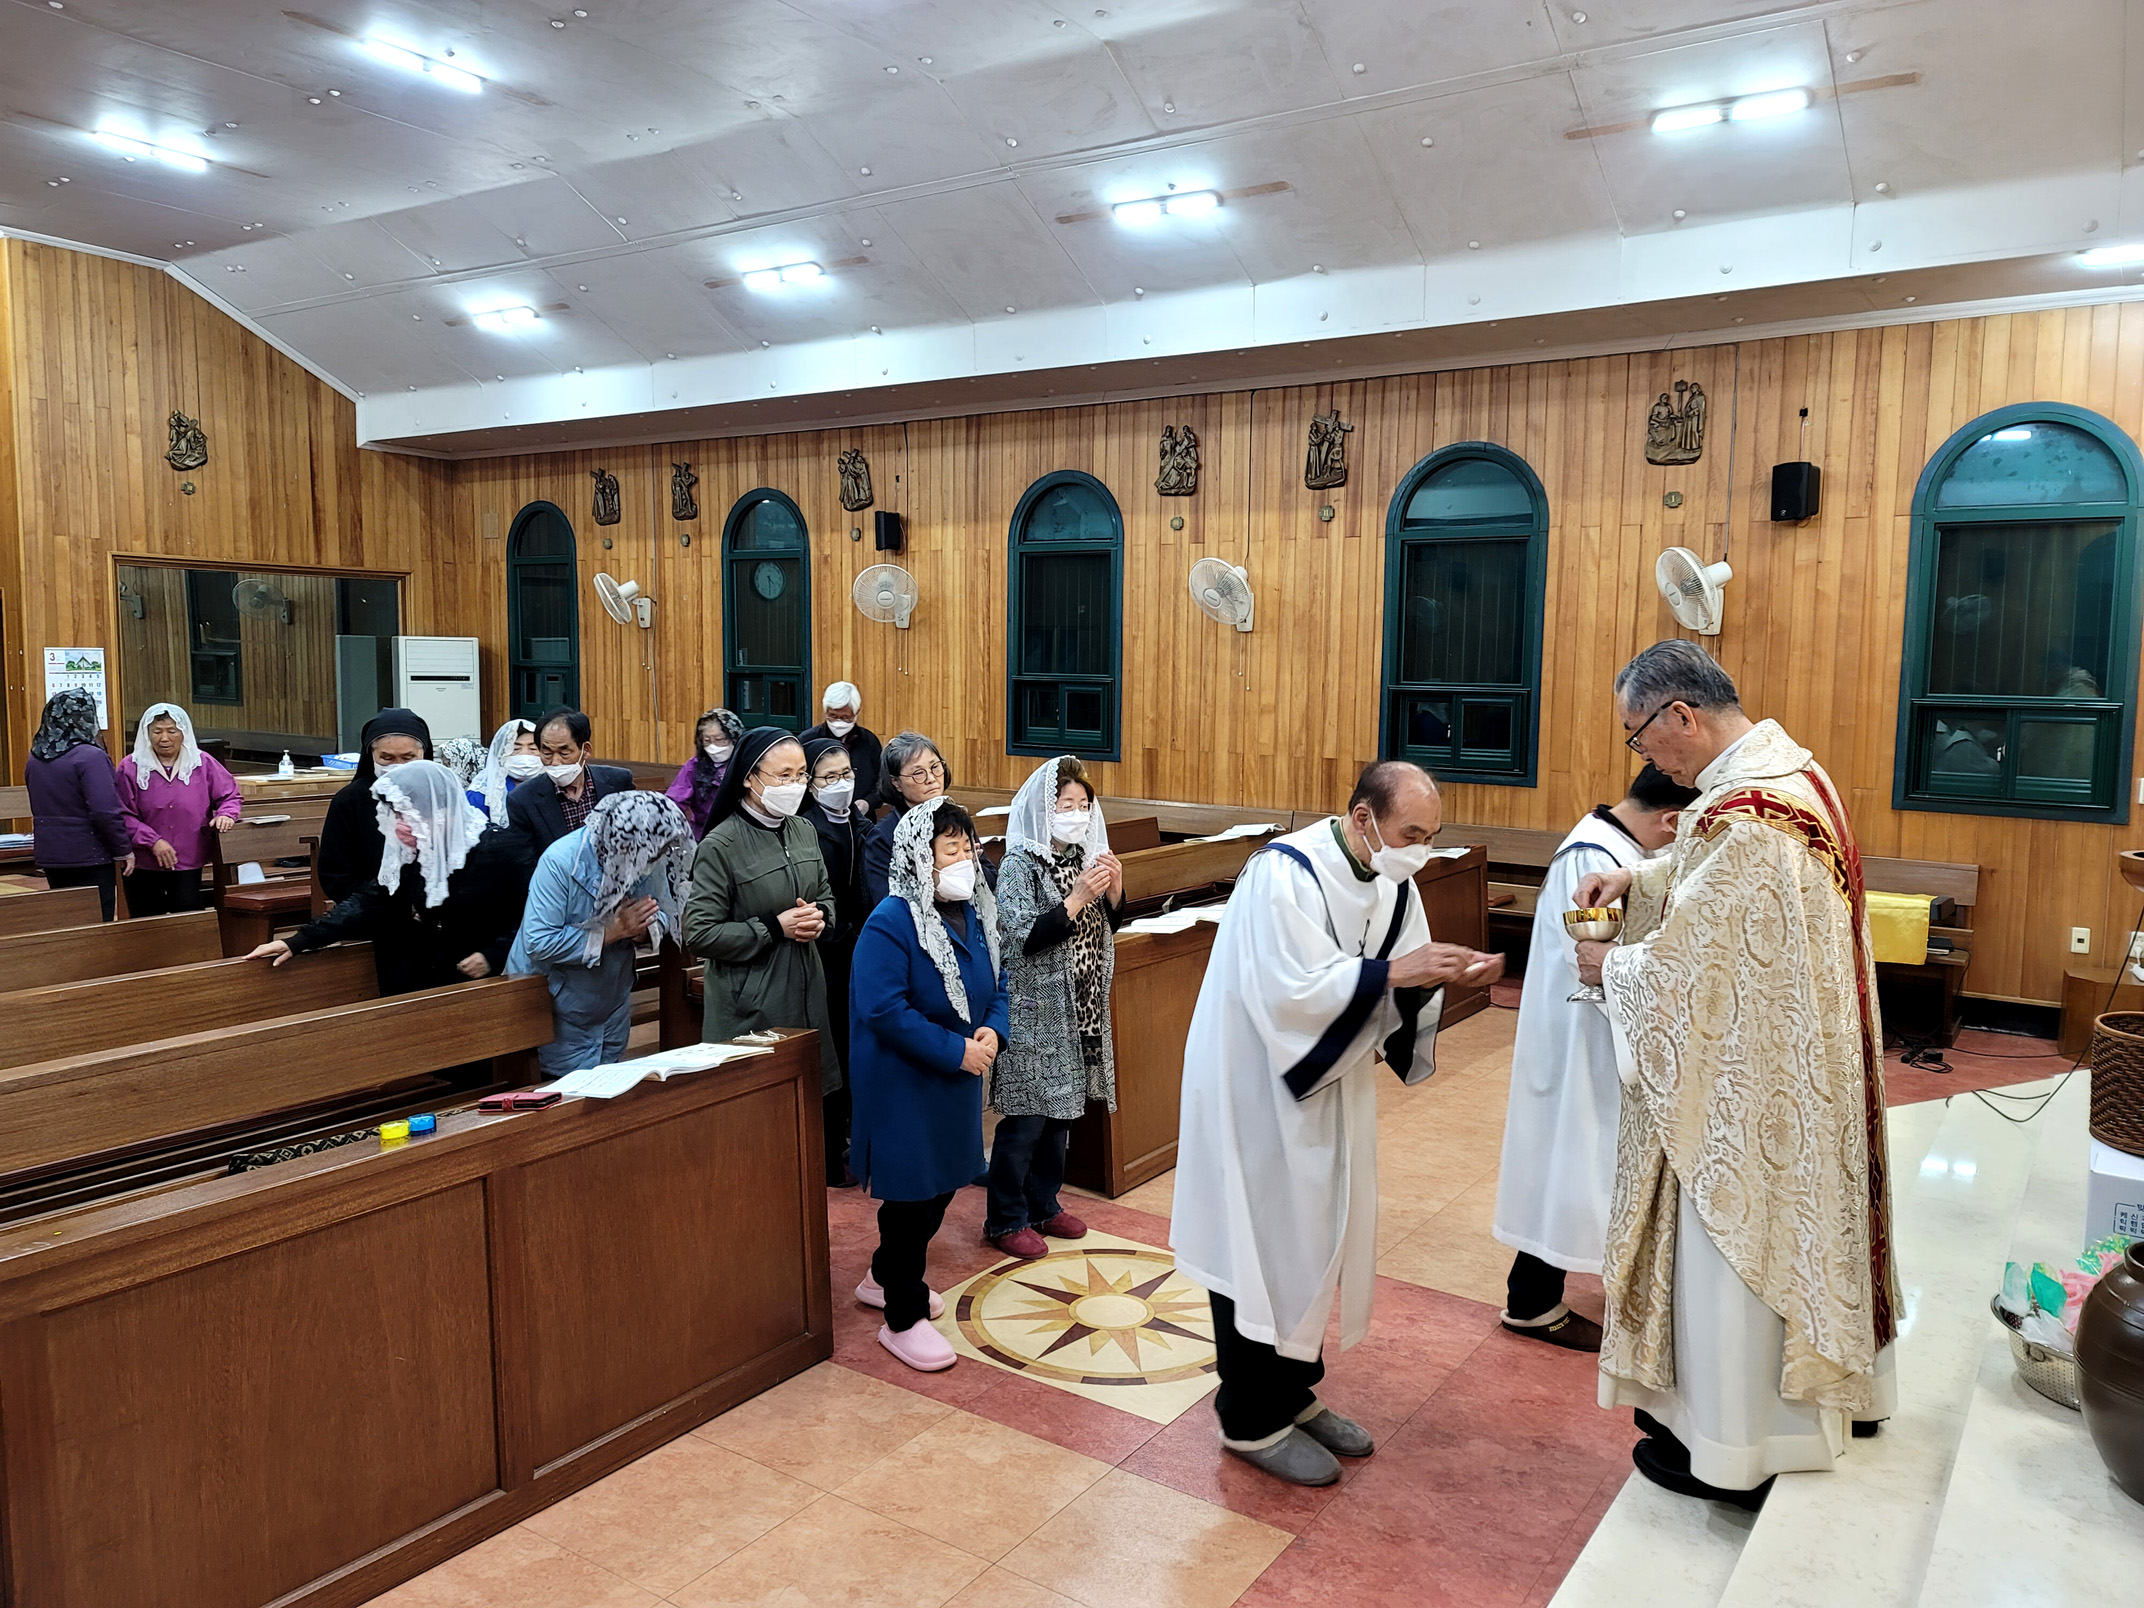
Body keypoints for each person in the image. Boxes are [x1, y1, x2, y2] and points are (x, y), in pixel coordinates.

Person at [1574, 640, 1900, 1511]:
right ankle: (1823, 1407)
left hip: (1751, 1087)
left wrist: (1613, 969)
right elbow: (1711, 881)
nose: (1646, 758)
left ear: (1681, 714)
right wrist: (1640, 877)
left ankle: (1739, 1444)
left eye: (1640, 736)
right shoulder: (1788, 774)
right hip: (1795, 1057)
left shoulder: (1752, 811)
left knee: (1733, 1246)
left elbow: (1698, 966)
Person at [1171, 760, 1502, 1487]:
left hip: (1327, 1082)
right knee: (1258, 1238)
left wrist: (1443, 973)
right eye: (1411, 834)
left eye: (1431, 836)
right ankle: (1248, 1418)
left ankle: (1293, 1392)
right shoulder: (1282, 874)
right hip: (1255, 1085)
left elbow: (1405, 967)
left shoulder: (1392, 880)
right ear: (1362, 818)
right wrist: (1395, 976)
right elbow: (1285, 994)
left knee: (1316, 1231)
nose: (1420, 851)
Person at [1490, 763, 1697, 1352]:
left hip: (1604, 1036)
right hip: (1586, 1037)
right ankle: (1532, 1302)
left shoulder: (1619, 850)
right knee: (1571, 1167)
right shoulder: (1592, 856)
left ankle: (1551, 1292)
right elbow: (1588, 957)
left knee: (1577, 1167)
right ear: (1672, 820)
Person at [848, 797, 1009, 1372]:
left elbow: (999, 980)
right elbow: (883, 1009)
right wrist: (955, 1050)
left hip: (956, 1075)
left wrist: (992, 1029)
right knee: (911, 1198)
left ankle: (882, 1276)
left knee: (943, 1185)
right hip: (905, 1081)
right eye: (950, 850)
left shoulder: (973, 912)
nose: (964, 860)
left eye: (968, 848)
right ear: (920, 858)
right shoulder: (890, 921)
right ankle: (902, 1316)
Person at [248, 760, 530, 1009]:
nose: (399, 824)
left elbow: (533, 915)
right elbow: (373, 901)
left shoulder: (502, 849)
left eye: (407, 813)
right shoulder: (416, 853)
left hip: (495, 977)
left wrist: (493, 954)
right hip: (433, 972)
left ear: (439, 810)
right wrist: (299, 941)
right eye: (396, 814)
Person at [987, 755, 1125, 1258]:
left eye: (1083, 805)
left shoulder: (1082, 857)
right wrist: (1077, 897)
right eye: (1066, 805)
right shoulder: (1018, 864)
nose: (1077, 814)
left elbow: (1106, 926)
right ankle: (1005, 1219)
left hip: (1079, 1005)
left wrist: (1114, 891)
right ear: (1044, 810)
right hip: (1033, 1008)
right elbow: (1023, 936)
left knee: (1062, 1115)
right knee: (1027, 1119)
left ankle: (1043, 1204)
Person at [683, 726, 842, 1101]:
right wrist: (773, 927)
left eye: (801, 775)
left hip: (808, 995)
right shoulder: (721, 845)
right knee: (758, 1112)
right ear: (749, 778)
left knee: (809, 1106)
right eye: (783, 776)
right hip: (750, 1006)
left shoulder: (804, 830)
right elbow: (699, 933)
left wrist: (820, 917)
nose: (795, 785)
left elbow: (825, 896)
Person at [508, 791, 696, 1076]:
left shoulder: (647, 852)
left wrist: (641, 931)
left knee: (609, 1086)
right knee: (564, 1093)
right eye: (650, 854)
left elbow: (664, 911)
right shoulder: (560, 861)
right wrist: (612, 931)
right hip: (555, 1005)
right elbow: (539, 941)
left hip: (612, 1000)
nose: (652, 862)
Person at [804, 735, 867, 1184]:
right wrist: (846, 934)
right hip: (826, 954)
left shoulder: (859, 822)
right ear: (811, 784)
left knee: (853, 1049)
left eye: (846, 774)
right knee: (832, 1052)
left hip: (858, 951)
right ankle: (828, 1151)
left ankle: (850, 1140)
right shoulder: (807, 828)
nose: (840, 784)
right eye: (829, 777)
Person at [114, 703, 243, 917]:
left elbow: (230, 795)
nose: (164, 738)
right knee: (147, 920)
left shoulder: (202, 762)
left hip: (189, 856)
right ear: (147, 734)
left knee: (187, 913)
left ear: (183, 732)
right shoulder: (130, 767)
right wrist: (153, 841)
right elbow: (123, 813)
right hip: (145, 861)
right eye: (157, 732)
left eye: (172, 731)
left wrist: (227, 814)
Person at [25, 689, 131, 921]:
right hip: (89, 853)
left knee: (67, 920)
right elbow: (105, 811)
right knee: (96, 922)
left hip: (51, 852)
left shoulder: (35, 757)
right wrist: (123, 849)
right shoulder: (90, 757)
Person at [862, 732, 995, 907]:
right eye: (918, 773)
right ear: (896, 783)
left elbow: (992, 880)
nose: (931, 779)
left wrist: (970, 867)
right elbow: (886, 901)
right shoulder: (883, 836)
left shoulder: (956, 820)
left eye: (935, 767)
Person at [318, 708, 431, 904]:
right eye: (387, 758)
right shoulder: (350, 800)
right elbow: (334, 873)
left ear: (423, 754)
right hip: (368, 907)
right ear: (371, 754)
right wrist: (378, 903)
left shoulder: (440, 797)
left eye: (408, 758)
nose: (398, 765)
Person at [505, 708, 636, 861]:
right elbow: (524, 862)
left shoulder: (618, 782)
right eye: (547, 753)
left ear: (585, 750)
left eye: (564, 753)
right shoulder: (522, 799)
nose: (555, 762)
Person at [800, 680, 882, 817]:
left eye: (845, 717)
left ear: (857, 712)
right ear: (825, 711)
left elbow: (881, 781)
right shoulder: (808, 741)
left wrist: (868, 802)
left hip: (861, 818)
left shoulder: (869, 742)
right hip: (815, 818)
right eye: (832, 716)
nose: (838, 722)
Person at [666, 707, 745, 839]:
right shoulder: (694, 766)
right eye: (707, 741)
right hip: (705, 834)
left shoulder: (746, 764)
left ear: (734, 738)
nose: (713, 746)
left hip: (742, 833)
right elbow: (675, 800)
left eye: (719, 739)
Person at [470, 718, 540, 825]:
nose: (525, 754)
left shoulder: (554, 785)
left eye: (533, 749)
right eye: (516, 749)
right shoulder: (483, 790)